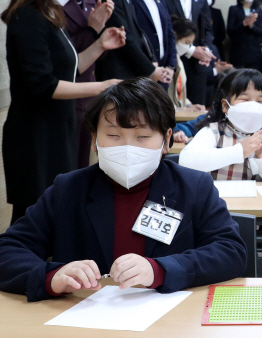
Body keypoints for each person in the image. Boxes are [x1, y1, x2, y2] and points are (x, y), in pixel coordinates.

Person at [0, 78, 247, 302]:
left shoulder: (194, 187)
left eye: (142, 137)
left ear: (166, 139)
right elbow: (8, 251)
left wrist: (161, 269)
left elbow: (230, 251)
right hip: (83, 319)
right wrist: (50, 276)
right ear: (95, 138)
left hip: (168, 320)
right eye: (114, 135)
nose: (128, 147)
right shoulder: (69, 189)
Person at [2, 0, 125, 224]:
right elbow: (43, 84)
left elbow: (70, 69)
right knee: (33, 218)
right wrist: (102, 87)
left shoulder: (50, 13)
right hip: (35, 135)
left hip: (59, 131)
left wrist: (100, 45)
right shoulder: (27, 15)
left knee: (56, 213)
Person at [179, 69, 262, 182]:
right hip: (217, 198)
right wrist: (239, 151)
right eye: (245, 100)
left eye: (260, 101)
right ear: (225, 105)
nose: (253, 106)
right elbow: (186, 161)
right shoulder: (214, 131)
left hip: (252, 199)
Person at [62, 0, 114, 169]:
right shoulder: (52, 7)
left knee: (85, 164)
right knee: (70, 167)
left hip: (89, 96)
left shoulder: (92, 3)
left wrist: (102, 39)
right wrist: (92, 30)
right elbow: (66, 59)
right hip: (69, 95)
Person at [96, 0, 168, 83]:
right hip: (118, 71)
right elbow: (124, 38)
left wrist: (150, 61)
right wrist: (150, 69)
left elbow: (138, 35)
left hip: (130, 71)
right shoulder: (113, 2)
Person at [164, 0, 216, 105]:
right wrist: (190, 49)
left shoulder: (201, 2)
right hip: (173, 55)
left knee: (197, 104)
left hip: (198, 63)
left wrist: (205, 51)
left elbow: (207, 30)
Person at [133, 0, 177, 89]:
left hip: (163, 72)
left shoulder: (161, 2)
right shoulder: (132, 2)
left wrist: (171, 66)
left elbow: (170, 34)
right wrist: (150, 69)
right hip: (141, 72)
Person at [168, 16, 207, 112]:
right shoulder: (166, 60)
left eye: (190, 44)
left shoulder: (179, 60)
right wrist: (177, 109)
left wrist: (190, 106)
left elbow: (180, 94)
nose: (187, 47)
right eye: (186, 42)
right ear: (175, 36)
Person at [226, 0, 262, 76]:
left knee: (253, 79)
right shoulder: (234, 9)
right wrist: (243, 23)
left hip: (254, 53)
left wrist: (251, 26)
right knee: (238, 79)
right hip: (238, 52)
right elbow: (230, 31)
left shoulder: (258, 10)